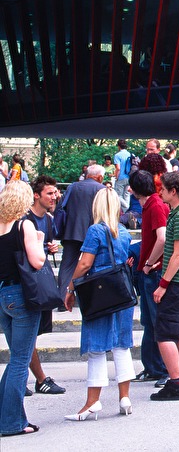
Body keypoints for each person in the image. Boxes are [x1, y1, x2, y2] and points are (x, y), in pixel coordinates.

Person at [63, 187, 136, 420]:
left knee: (96, 347)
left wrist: (70, 288)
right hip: (122, 293)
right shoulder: (123, 232)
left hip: (99, 294)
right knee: (121, 345)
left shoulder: (95, 231)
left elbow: (85, 264)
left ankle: (92, 403)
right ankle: (124, 398)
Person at [0, 181, 45, 437]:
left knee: (16, 357)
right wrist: (39, 240)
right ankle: (10, 423)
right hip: (21, 294)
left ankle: (9, 417)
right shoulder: (23, 224)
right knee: (20, 359)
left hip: (2, 294)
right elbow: (37, 262)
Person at [150, 171, 179, 402]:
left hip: (177, 282)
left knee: (164, 333)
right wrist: (150, 263)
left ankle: (176, 384)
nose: (160, 193)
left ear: (174, 191)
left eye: (163, 189)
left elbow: (178, 254)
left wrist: (163, 284)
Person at [23, 176, 66, 396]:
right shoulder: (23, 219)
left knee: (31, 335)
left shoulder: (48, 220)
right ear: (36, 195)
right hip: (25, 284)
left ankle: (21, 379)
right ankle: (38, 379)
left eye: (56, 192)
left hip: (40, 282)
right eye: (50, 193)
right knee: (27, 334)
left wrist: (49, 247)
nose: (55, 196)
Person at [128, 170, 168, 387]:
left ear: (134, 190)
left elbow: (161, 238)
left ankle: (162, 369)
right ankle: (153, 367)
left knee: (155, 321)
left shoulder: (154, 205)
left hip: (153, 272)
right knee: (149, 322)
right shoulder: (152, 204)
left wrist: (149, 264)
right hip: (149, 272)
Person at [56, 164, 106, 295]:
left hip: (71, 232)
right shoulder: (102, 189)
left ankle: (62, 297)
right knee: (93, 265)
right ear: (100, 177)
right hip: (94, 234)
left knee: (67, 265)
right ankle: (92, 298)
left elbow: (61, 207)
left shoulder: (72, 187)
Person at [112, 139, 131, 208]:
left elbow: (118, 168)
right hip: (129, 177)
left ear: (118, 146)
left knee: (118, 195)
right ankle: (126, 211)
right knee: (126, 194)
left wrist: (116, 176)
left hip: (121, 177)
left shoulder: (117, 155)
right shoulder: (130, 154)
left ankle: (126, 206)